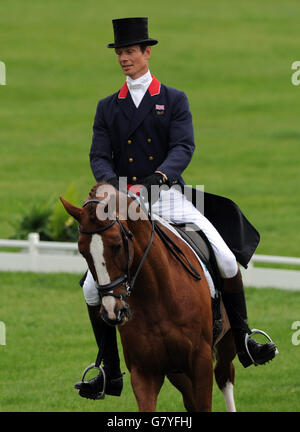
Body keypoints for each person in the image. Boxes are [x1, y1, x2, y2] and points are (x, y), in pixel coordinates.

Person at [75, 17, 277, 400]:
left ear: (147, 52)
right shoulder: (107, 107)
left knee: (226, 259)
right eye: (119, 52)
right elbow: (99, 155)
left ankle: (246, 337)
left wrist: (162, 174)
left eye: (130, 51)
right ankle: (108, 369)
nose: (124, 58)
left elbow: (184, 147)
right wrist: (112, 186)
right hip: (123, 201)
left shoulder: (174, 99)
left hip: (166, 194)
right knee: (90, 287)